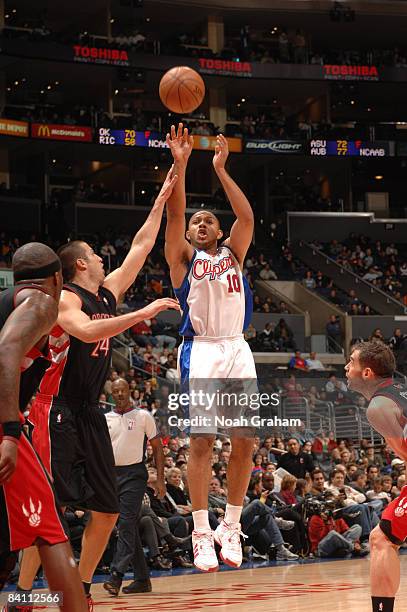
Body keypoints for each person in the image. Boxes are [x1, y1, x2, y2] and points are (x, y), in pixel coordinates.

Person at [18, 168, 180, 606]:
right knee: (46, 516)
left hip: (89, 411)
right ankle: (22, 596)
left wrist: (162, 199)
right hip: (55, 411)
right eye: (96, 254)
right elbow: (86, 332)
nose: (105, 259)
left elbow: (141, 247)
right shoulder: (65, 299)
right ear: (81, 264)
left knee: (107, 512)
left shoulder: (106, 292)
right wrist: (141, 312)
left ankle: (81, 591)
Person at [164, 124, 257, 572]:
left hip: (238, 348)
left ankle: (231, 524)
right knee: (201, 440)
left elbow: (248, 217)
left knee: (245, 442)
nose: (200, 224)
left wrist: (220, 169)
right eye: (196, 221)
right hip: (200, 348)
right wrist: (180, 166)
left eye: (209, 220)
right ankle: (201, 530)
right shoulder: (183, 260)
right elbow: (175, 217)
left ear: (219, 230)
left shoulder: (235, 253)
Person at [0, 243, 87, 611]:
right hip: (12, 426)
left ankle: (20, 600)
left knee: (5, 555)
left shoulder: (8, 300)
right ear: (56, 279)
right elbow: (6, 353)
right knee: (51, 530)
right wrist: (8, 432)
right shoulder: (41, 302)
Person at [345, 340, 407, 612]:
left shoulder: (379, 407)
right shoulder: (399, 392)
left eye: (351, 362)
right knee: (382, 537)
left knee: (382, 539)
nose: (346, 367)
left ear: (367, 373)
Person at [103, 378, 166, 596]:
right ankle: (142, 579)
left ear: (130, 391)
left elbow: (158, 448)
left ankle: (116, 576)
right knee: (128, 527)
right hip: (111, 476)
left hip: (134, 475)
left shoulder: (143, 416)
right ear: (112, 394)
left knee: (127, 522)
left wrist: (160, 479)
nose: (119, 394)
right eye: (115, 391)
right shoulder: (106, 419)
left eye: (123, 390)